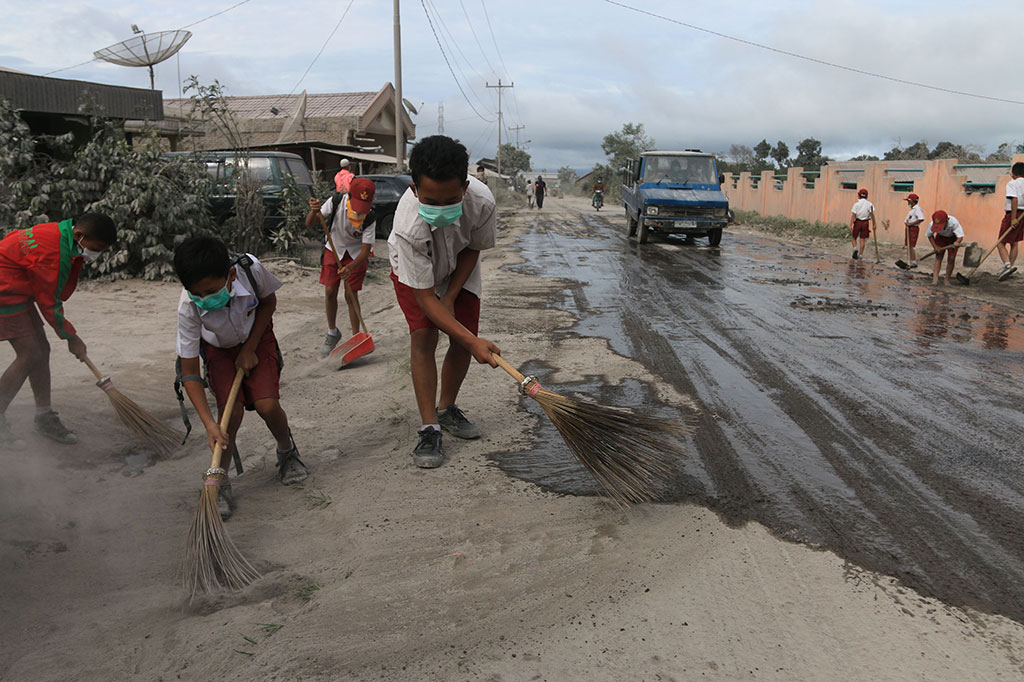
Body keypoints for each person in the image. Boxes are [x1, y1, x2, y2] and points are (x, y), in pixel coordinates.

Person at [387, 135, 501, 469]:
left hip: (459, 268)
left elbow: (472, 248)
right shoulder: (408, 225)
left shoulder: (482, 202)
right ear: (413, 189)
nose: (440, 210)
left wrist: (451, 296)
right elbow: (424, 297)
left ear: (465, 187)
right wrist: (473, 340)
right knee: (425, 336)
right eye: (431, 201)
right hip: (414, 272)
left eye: (450, 200)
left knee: (462, 340)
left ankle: (446, 408)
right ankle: (429, 427)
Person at [174, 236, 307, 519]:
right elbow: (189, 373)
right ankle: (219, 479)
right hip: (217, 350)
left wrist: (249, 348)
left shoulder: (249, 269)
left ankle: (287, 451)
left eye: (211, 291)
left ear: (231, 276)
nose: (205, 300)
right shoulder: (188, 306)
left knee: (267, 404)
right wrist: (209, 425)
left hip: (257, 337)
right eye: (198, 294)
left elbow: (268, 303)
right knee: (229, 416)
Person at [0, 213, 117, 449]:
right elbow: (49, 302)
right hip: (4, 291)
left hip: (15, 287)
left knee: (41, 350)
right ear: (79, 235)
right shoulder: (54, 253)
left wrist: (68, 335)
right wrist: (71, 337)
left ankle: (44, 416)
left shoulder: (60, 233)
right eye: (96, 248)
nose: (97, 254)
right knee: (31, 354)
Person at [306, 177, 377, 356]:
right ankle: (332, 332)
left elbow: (365, 250)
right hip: (334, 249)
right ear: (349, 195)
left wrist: (350, 267)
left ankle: (356, 337)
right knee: (330, 291)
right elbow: (310, 223)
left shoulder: (371, 217)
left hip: (355, 256)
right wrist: (314, 211)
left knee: (350, 294)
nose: (360, 210)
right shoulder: (336, 201)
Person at [996, 161, 1024, 281]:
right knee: (1014, 242)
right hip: (1022, 214)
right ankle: (1010, 267)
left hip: (1013, 213)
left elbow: (1014, 200)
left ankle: (1007, 265)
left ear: (1013, 174)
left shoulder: (1012, 183)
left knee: (1000, 242)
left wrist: (1013, 219)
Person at [926, 210, 965, 286]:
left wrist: (956, 243)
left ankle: (947, 280)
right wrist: (935, 246)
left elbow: (960, 236)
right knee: (938, 256)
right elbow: (930, 235)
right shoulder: (931, 225)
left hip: (952, 238)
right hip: (940, 239)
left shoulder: (954, 222)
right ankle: (935, 279)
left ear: (947, 221)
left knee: (951, 258)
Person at [849, 188, 876, 260]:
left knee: (854, 237)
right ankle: (861, 255)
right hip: (865, 222)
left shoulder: (856, 204)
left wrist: (850, 224)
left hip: (858, 222)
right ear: (866, 196)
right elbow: (872, 214)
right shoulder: (869, 204)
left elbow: (853, 215)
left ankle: (855, 248)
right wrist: (874, 224)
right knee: (862, 239)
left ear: (859, 195)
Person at [903, 193, 925, 268]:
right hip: (909, 228)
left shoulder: (917, 209)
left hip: (913, 229)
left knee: (911, 246)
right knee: (908, 245)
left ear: (912, 201)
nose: (908, 203)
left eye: (908, 201)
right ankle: (909, 260)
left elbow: (921, 219)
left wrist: (911, 224)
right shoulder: (912, 210)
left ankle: (913, 261)